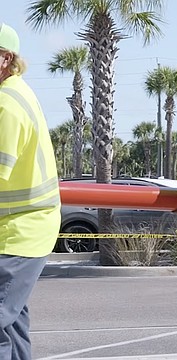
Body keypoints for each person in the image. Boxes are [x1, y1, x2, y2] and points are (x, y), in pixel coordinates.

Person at [0, 24, 61, 359]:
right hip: (23, 231)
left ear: (5, 58)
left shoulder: (7, 104)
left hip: (18, 234)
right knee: (11, 326)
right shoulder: (17, 91)